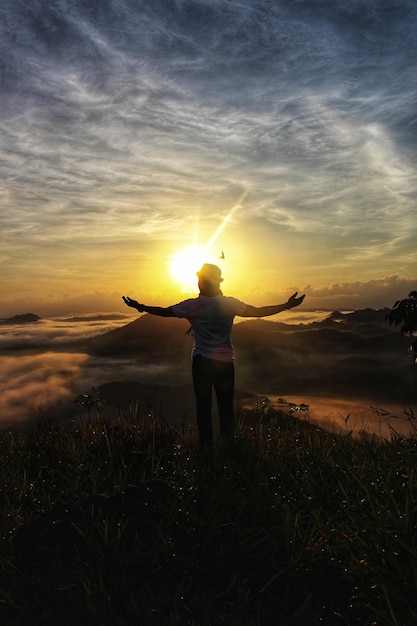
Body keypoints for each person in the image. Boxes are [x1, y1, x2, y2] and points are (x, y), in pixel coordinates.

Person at [123, 263, 305, 449]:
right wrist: (287, 305)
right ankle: (227, 447)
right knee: (226, 408)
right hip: (225, 363)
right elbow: (259, 312)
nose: (198, 283)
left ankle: (206, 448)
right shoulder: (229, 304)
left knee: (203, 409)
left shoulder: (191, 306)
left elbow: (164, 311)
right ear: (217, 283)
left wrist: (141, 306)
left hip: (201, 363)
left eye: (200, 280)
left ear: (203, 283)